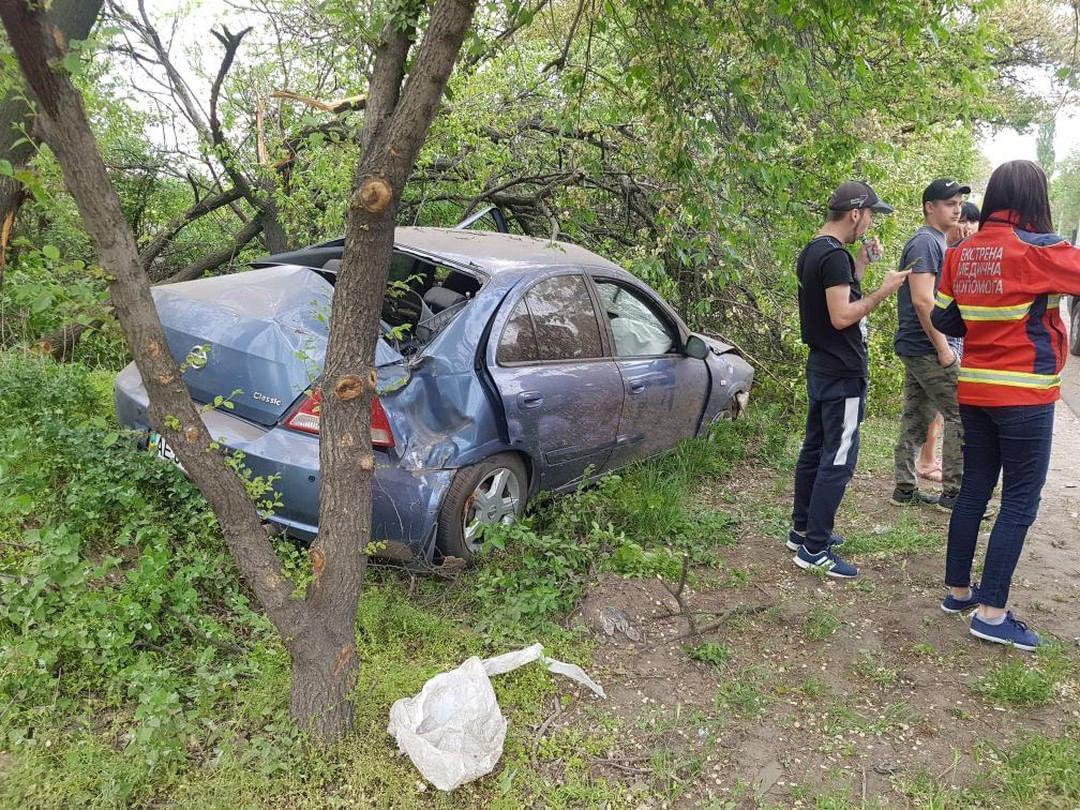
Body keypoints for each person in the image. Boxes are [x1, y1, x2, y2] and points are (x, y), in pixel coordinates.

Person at [932, 159, 1080, 650]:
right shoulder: (1039, 250)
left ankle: (958, 592)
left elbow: (945, 318)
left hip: (974, 388)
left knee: (974, 490)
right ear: (1035, 198)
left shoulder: (961, 250)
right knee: (1019, 500)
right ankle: (992, 613)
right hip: (1023, 393)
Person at [789, 181, 910, 578]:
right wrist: (884, 290)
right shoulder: (832, 256)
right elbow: (842, 316)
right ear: (855, 213)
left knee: (816, 447)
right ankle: (815, 548)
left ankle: (802, 528)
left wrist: (860, 265)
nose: (872, 221)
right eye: (871, 213)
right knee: (838, 457)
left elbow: (831, 304)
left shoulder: (815, 250)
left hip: (821, 364)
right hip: (842, 371)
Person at [890, 179, 970, 510]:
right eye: (950, 203)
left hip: (918, 344)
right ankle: (953, 495)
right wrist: (943, 348)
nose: (958, 208)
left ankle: (905, 489)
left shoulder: (938, 241)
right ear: (929, 207)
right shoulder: (925, 242)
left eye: (959, 203)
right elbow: (923, 301)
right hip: (926, 345)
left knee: (917, 416)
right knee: (959, 414)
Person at [915, 201, 980, 482]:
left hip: (950, 341)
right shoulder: (934, 246)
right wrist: (943, 348)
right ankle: (950, 483)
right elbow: (924, 300)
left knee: (932, 408)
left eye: (969, 220)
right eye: (959, 217)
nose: (963, 225)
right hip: (938, 343)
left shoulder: (945, 247)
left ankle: (925, 463)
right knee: (951, 410)